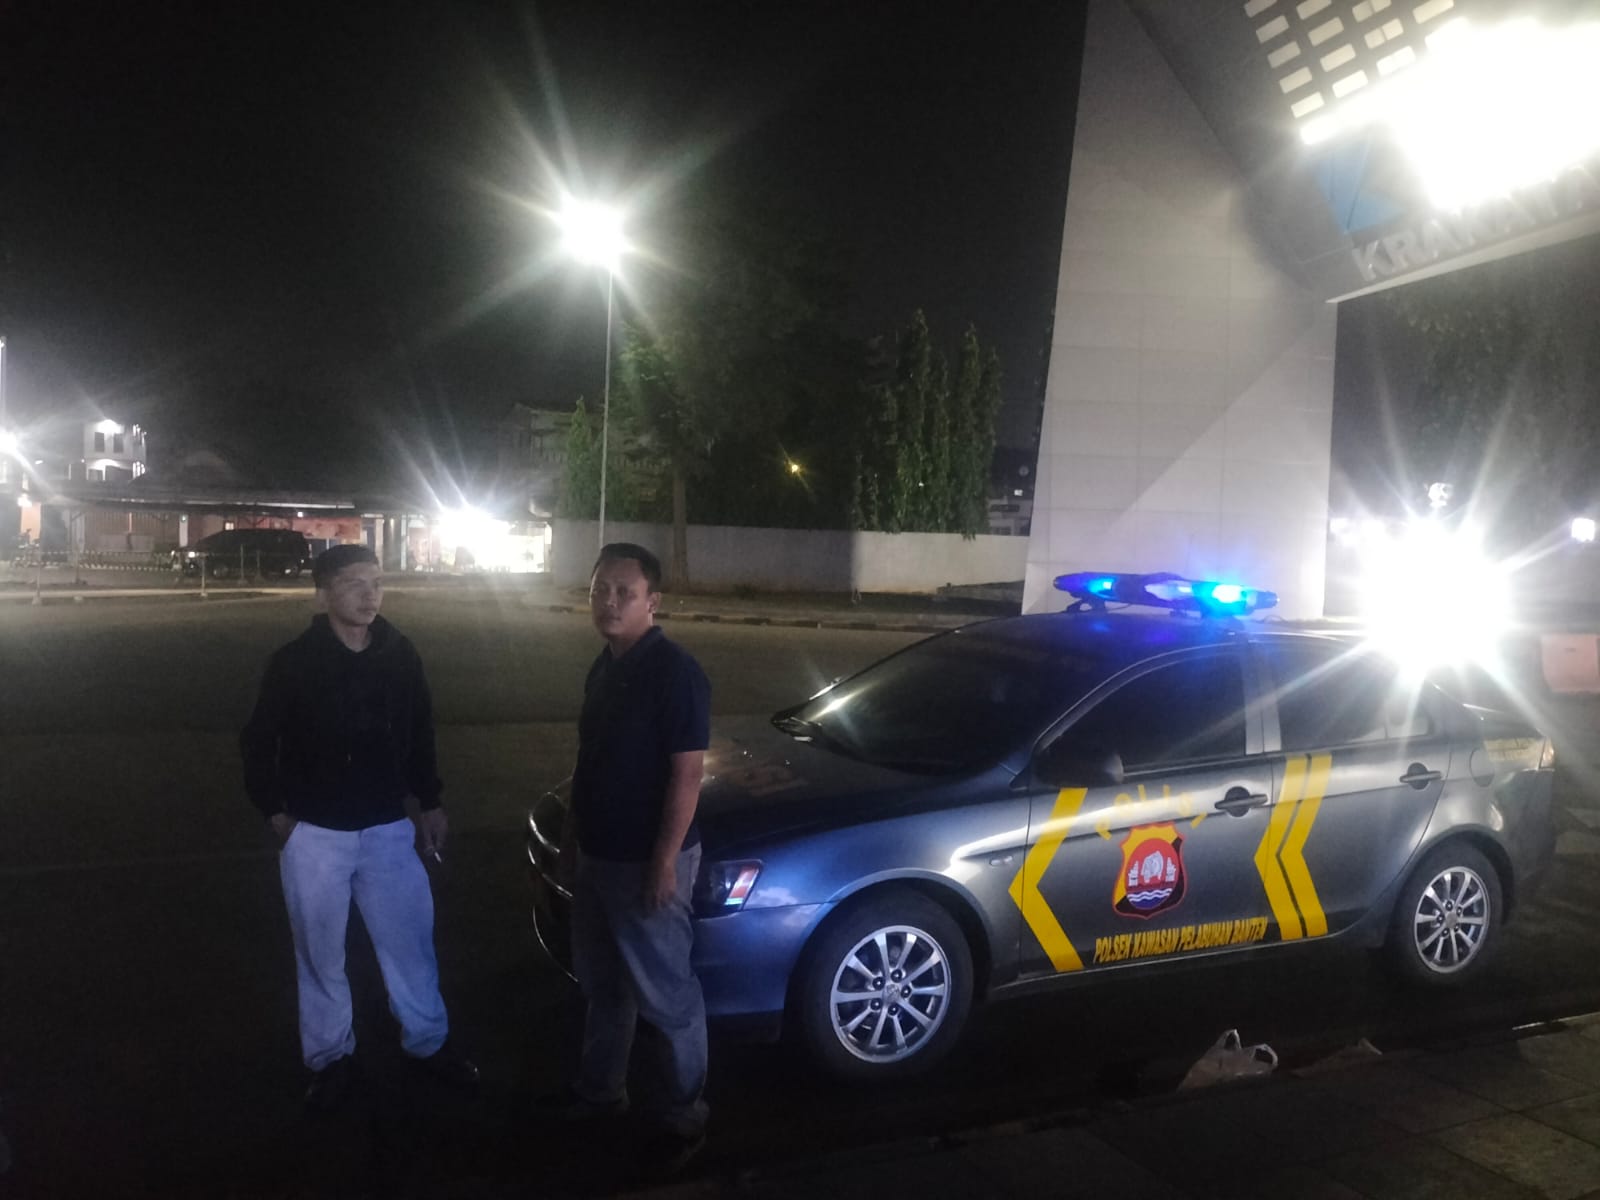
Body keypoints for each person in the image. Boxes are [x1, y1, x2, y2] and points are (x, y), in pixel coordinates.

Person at [241, 543, 477, 1111]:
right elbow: (258, 741)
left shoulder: (399, 654)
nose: (370, 595)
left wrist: (430, 801)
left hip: (388, 830)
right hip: (316, 834)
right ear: (323, 594)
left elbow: (420, 730)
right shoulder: (294, 662)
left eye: (376, 582)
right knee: (320, 955)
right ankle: (329, 1059)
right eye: (353, 583)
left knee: (410, 945)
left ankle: (427, 1042)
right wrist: (277, 814)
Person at [557, 542, 711, 1177]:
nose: (610, 602)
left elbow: (687, 776)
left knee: (668, 994)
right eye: (601, 590)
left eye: (625, 592)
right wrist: (573, 840)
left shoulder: (675, 673)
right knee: (605, 987)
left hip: (645, 863)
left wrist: (664, 862)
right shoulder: (605, 666)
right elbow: (589, 762)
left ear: (654, 601)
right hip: (599, 857)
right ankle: (601, 1093)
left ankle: (685, 1116)